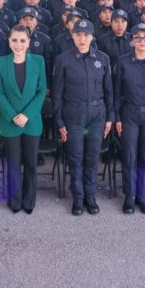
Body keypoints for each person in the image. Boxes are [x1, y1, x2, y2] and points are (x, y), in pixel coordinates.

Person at [52, 19, 113, 215]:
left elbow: (109, 91)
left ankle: (90, 196)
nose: (82, 38)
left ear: (92, 37)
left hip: (97, 114)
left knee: (92, 157)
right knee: (75, 157)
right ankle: (78, 198)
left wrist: (109, 118)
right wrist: (59, 121)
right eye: (78, 34)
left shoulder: (102, 59)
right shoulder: (63, 59)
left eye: (86, 35)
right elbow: (57, 93)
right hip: (73, 114)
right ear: (73, 36)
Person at [113, 24, 145, 214]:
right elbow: (116, 92)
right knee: (129, 156)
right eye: (138, 37)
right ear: (132, 40)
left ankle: (142, 195)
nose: (142, 41)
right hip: (129, 114)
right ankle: (129, 195)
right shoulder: (123, 62)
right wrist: (117, 117)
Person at [0, 25, 47, 214]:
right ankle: (14, 199)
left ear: (29, 42)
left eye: (22, 40)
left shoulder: (39, 61)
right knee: (13, 163)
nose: (18, 44)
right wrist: (13, 115)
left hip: (31, 122)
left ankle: (29, 199)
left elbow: (41, 91)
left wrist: (26, 115)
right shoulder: (0, 63)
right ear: (9, 41)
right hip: (10, 122)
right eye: (14, 40)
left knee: (31, 163)